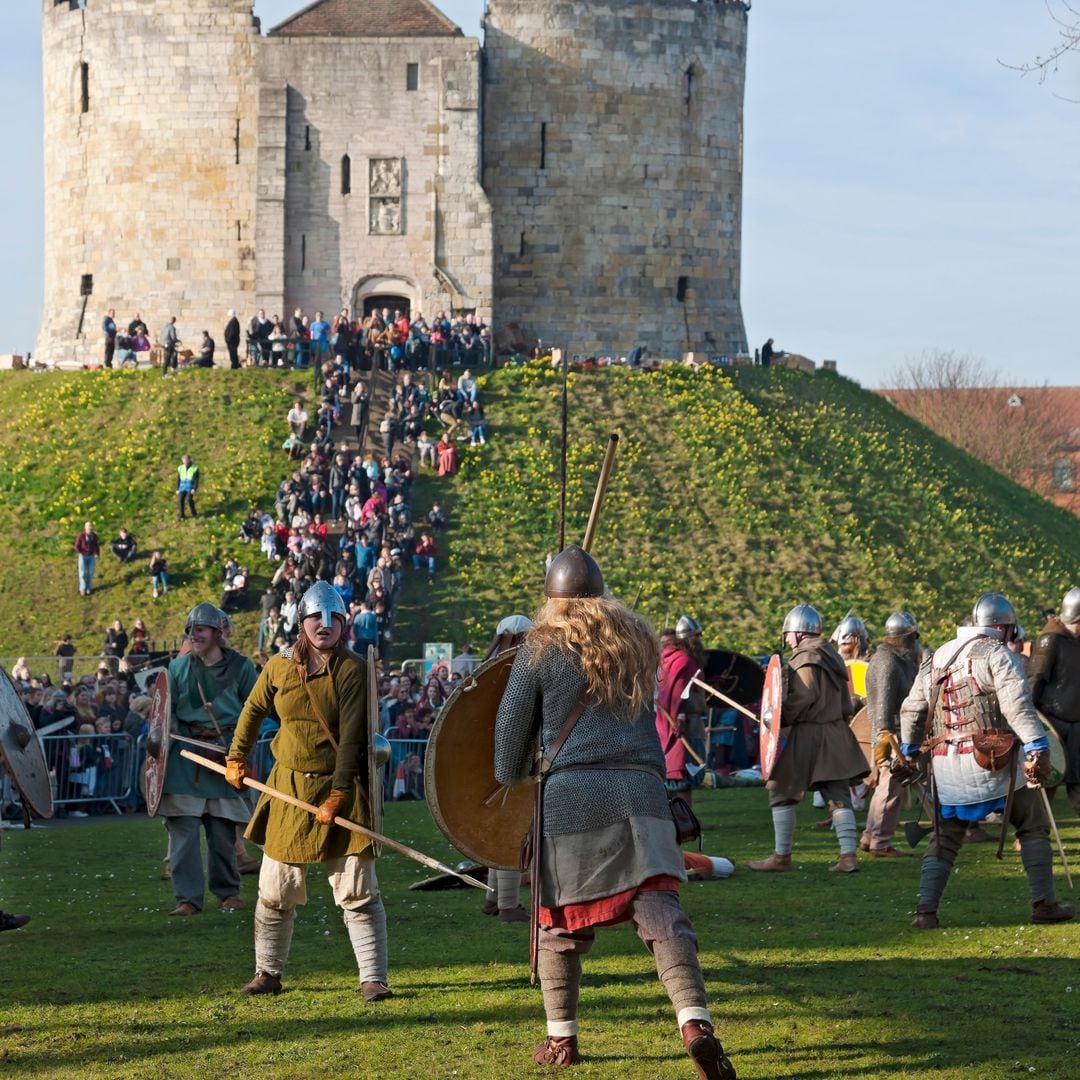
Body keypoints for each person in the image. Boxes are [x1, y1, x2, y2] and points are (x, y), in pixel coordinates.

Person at [494, 546, 735, 1077]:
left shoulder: (539, 650)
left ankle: (562, 1041)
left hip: (573, 796)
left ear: (550, 599)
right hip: (645, 793)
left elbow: (507, 751)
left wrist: (524, 757)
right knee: (660, 911)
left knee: (558, 923)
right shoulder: (637, 644)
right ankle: (695, 1023)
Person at [225, 582, 390, 1000]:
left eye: (333, 617)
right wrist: (236, 756)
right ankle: (267, 973)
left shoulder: (353, 669)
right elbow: (253, 709)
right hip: (289, 788)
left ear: (344, 623)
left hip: (343, 785)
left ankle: (373, 978)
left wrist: (337, 795)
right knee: (275, 888)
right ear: (301, 621)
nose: (325, 625)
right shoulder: (279, 666)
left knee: (357, 888)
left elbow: (353, 738)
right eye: (317, 617)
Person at [900, 592, 1074, 927]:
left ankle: (925, 912)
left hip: (946, 764)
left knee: (944, 839)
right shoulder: (997, 655)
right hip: (997, 762)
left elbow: (911, 709)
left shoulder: (936, 656)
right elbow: (1017, 706)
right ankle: (1044, 905)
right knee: (1034, 826)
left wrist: (909, 749)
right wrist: (1037, 744)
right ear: (1005, 628)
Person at [747, 604, 868, 874]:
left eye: (789, 634)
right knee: (837, 794)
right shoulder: (832, 656)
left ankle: (782, 856)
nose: (787, 639)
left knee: (780, 790)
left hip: (811, 733)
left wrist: (779, 719)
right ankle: (848, 857)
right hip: (836, 731)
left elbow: (804, 696)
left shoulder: (806, 658)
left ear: (800, 633)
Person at [158, 602, 259, 916]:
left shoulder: (242, 668)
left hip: (225, 755)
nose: (194, 635)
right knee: (183, 833)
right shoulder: (177, 669)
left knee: (222, 835)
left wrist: (237, 749)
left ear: (218, 632)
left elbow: (254, 713)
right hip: (185, 760)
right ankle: (187, 899)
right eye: (191, 630)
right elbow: (165, 715)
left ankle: (228, 892)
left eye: (200, 629)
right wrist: (160, 738)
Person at [859, 611, 920, 857]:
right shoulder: (887, 661)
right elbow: (883, 703)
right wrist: (887, 735)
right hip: (892, 734)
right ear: (907, 636)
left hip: (895, 732)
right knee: (891, 790)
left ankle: (870, 837)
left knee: (886, 787)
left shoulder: (896, 658)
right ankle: (881, 842)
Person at [1028, 587, 1080, 818]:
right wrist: (1029, 720)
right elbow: (1035, 679)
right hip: (1053, 724)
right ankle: (1032, 836)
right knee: (1047, 784)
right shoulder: (1051, 640)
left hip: (1077, 724)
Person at [656, 616, 706, 807]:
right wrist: (680, 719)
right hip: (683, 723)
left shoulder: (668, 660)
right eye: (697, 637)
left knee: (678, 775)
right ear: (689, 638)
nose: (699, 641)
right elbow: (680, 693)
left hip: (668, 721)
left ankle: (678, 820)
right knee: (684, 774)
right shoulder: (684, 660)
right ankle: (687, 820)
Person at [74, 521, 100, 597]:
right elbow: (76, 546)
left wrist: (97, 553)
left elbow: (96, 545)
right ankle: (82, 589)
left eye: (91, 526)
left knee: (90, 572)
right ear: (85, 527)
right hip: (83, 556)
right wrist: (81, 552)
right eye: (88, 526)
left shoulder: (94, 536)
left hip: (91, 556)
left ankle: (88, 588)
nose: (90, 528)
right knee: (82, 573)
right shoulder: (81, 536)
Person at [177, 453, 199, 519]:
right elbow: (178, 479)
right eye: (184, 461)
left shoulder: (195, 468)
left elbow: (196, 479)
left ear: (189, 460)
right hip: (182, 486)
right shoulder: (180, 468)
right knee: (180, 500)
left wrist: (194, 488)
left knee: (189, 499)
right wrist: (177, 488)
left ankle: (194, 514)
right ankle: (182, 515)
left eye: (186, 460)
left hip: (190, 486)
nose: (185, 462)